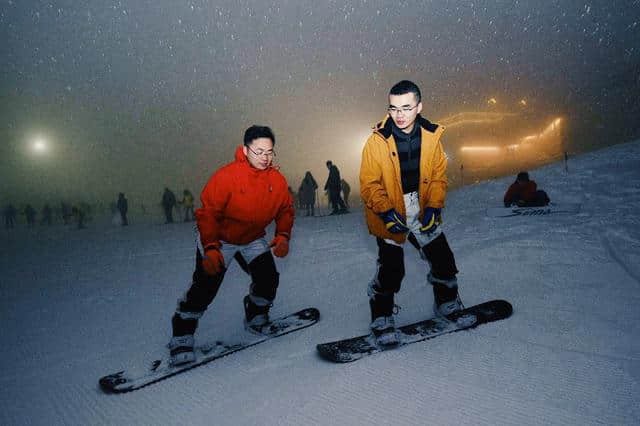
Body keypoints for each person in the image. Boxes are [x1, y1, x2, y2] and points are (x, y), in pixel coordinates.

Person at [167, 125, 295, 366]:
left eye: (269, 152)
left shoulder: (276, 180)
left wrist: (283, 235)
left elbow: (286, 209)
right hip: (220, 237)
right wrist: (211, 247)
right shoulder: (226, 177)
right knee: (206, 286)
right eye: (258, 151)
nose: (265, 157)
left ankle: (256, 314)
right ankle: (182, 334)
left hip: (251, 238)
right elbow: (207, 214)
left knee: (268, 278)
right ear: (245, 150)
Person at [359, 80, 464, 346]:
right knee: (392, 270)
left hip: (421, 206)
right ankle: (381, 316)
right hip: (391, 207)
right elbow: (369, 183)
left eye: (406, 107)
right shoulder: (376, 142)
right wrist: (385, 212)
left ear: (419, 107)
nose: (399, 114)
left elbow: (439, 177)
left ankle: (447, 304)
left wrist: (434, 206)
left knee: (443, 260)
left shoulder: (432, 137)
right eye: (393, 108)